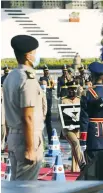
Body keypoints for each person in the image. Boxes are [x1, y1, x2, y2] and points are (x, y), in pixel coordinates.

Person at [3, 35, 44, 180]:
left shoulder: (11, 76)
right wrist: (30, 149)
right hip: (27, 137)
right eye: (34, 52)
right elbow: (27, 116)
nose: (35, 55)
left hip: (15, 135)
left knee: (16, 184)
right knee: (26, 186)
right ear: (28, 55)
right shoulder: (27, 78)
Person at [79, 62, 103, 171]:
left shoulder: (86, 93)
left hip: (92, 137)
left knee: (92, 170)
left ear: (92, 76)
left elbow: (84, 119)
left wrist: (83, 141)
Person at [61, 81, 85, 172]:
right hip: (68, 129)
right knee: (75, 143)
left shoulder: (80, 100)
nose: (72, 91)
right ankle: (82, 164)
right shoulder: (63, 100)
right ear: (68, 90)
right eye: (70, 89)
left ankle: (74, 169)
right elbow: (61, 117)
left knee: (74, 147)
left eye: (74, 89)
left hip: (78, 129)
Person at [39, 65, 55, 144]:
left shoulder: (50, 78)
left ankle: (50, 139)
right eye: (45, 70)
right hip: (42, 106)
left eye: (47, 70)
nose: (47, 72)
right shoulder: (42, 79)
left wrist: (52, 83)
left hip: (49, 101)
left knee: (49, 123)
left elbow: (53, 87)